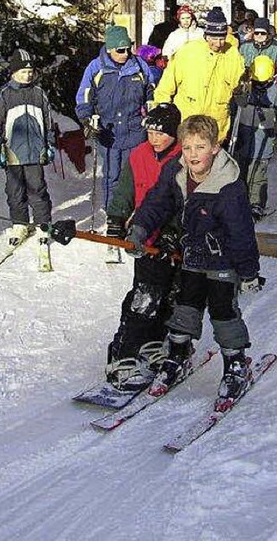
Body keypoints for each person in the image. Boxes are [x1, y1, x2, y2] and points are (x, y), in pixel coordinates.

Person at [126, 114, 262, 405]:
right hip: (192, 255)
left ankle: (236, 362)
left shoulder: (228, 185)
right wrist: (139, 229)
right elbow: (157, 201)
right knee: (185, 306)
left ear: (214, 148)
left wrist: (249, 272)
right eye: (187, 148)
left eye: (200, 148)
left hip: (223, 259)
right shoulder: (176, 171)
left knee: (223, 311)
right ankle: (178, 354)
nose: (193, 155)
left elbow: (241, 233)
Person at [104, 103, 183, 390]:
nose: (154, 138)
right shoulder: (138, 155)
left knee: (170, 294)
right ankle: (122, 353)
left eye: (161, 133)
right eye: (150, 132)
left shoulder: (184, 158)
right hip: (146, 237)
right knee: (145, 296)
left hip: (175, 240)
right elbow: (125, 190)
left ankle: (153, 342)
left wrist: (176, 233)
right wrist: (116, 219)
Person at [75, 25, 155, 208]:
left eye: (129, 48)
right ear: (110, 49)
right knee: (112, 175)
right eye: (120, 50)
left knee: (133, 174)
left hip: (134, 129)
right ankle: (112, 213)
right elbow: (84, 96)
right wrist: (87, 118)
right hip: (107, 131)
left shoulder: (139, 65)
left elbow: (150, 88)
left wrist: (151, 106)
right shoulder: (96, 67)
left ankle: (132, 211)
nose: (126, 53)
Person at [0, 48, 55, 250]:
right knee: (15, 191)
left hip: (35, 152)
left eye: (30, 71)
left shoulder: (38, 93)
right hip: (12, 152)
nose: (28, 75)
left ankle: (43, 224)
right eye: (23, 72)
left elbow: (49, 123)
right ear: (14, 73)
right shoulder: (5, 95)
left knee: (38, 188)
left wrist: (49, 144)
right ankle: (20, 223)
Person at [153, 6, 245, 142]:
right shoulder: (188, 52)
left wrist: (241, 91)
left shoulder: (232, 54)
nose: (218, 43)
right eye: (213, 38)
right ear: (206, 35)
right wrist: (163, 107)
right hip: (188, 121)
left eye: (222, 38)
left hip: (216, 125)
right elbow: (167, 84)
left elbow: (238, 82)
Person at [232, 55, 277, 221]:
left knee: (258, 175)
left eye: (264, 83)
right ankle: (239, 202)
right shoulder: (246, 89)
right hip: (244, 139)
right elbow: (233, 108)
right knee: (240, 173)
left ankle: (256, 204)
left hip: (263, 141)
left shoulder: (275, 93)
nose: (260, 86)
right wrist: (237, 98)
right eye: (258, 82)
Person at [239, 17, 277, 88]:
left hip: (269, 84)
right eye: (256, 33)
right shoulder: (245, 46)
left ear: (267, 34)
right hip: (249, 84)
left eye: (263, 33)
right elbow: (238, 65)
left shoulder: (275, 48)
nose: (259, 35)